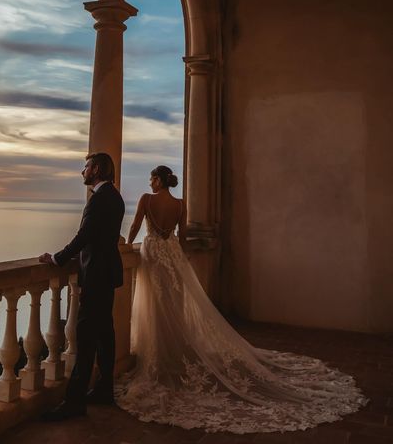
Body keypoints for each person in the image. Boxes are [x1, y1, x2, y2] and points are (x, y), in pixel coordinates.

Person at [115, 165, 367, 434]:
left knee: (155, 306)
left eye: (152, 178)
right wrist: (177, 258)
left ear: (159, 179)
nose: (149, 182)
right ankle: (174, 353)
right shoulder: (179, 204)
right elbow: (185, 238)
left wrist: (127, 245)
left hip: (154, 253)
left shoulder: (146, 199)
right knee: (174, 305)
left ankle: (161, 355)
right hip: (173, 255)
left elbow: (135, 225)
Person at [39, 152, 125, 421]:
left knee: (86, 337)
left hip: (97, 276)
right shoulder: (115, 197)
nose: (82, 172)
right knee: (104, 335)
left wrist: (57, 258)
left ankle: (74, 402)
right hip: (107, 273)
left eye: (86, 167)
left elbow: (84, 236)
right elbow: (99, 237)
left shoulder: (99, 200)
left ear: (97, 169)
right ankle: (104, 390)